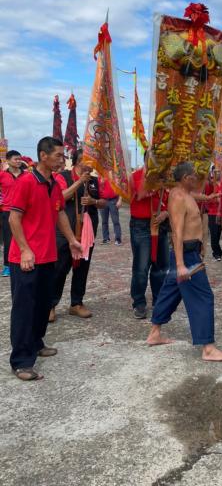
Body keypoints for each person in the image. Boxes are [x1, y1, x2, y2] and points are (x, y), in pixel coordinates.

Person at [8, 136, 82, 381]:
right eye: (59, 155)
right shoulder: (26, 182)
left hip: (48, 255)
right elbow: (14, 218)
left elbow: (59, 213)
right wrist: (25, 249)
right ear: (43, 156)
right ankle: (21, 361)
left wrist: (71, 239)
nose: (63, 159)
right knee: (24, 308)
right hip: (26, 258)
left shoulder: (54, 184)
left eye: (63, 155)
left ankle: (37, 343)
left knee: (43, 304)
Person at [146, 162, 222, 362]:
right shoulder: (178, 197)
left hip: (189, 252)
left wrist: (209, 197)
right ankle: (208, 348)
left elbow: (195, 198)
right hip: (186, 255)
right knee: (204, 297)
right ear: (185, 178)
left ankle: (154, 333)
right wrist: (180, 264)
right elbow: (177, 232)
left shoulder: (186, 194)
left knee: (170, 292)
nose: (197, 178)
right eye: (194, 175)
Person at [49, 149, 106, 322]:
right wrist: (79, 182)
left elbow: (104, 202)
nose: (90, 165)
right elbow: (60, 197)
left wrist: (94, 201)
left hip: (87, 233)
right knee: (59, 269)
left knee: (82, 269)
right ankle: (50, 305)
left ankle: (76, 303)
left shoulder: (94, 181)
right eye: (88, 161)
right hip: (65, 232)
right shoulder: (63, 176)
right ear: (78, 161)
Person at [129, 155, 169, 319]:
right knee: (141, 267)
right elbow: (139, 195)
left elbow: (172, 200)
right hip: (141, 226)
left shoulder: (166, 177)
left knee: (161, 267)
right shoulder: (135, 176)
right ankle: (139, 302)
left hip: (161, 225)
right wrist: (155, 182)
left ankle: (158, 300)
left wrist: (166, 213)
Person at [0, 150, 24, 277]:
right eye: (16, 159)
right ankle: (7, 266)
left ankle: (23, 259)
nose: (18, 161)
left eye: (20, 159)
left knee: (24, 236)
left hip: (24, 211)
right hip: (8, 211)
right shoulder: (2, 175)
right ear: (8, 161)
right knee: (9, 239)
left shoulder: (27, 175)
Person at [204, 169, 222, 260]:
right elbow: (206, 198)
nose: (217, 173)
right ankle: (216, 252)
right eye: (215, 172)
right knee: (214, 234)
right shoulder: (210, 184)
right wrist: (215, 200)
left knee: (219, 233)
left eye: (219, 171)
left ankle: (219, 251)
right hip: (213, 213)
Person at [98, 175, 122, 244]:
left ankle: (118, 239)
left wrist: (120, 200)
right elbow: (98, 190)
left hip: (113, 200)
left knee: (115, 221)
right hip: (103, 201)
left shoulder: (113, 175)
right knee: (104, 221)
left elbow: (120, 187)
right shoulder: (99, 177)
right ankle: (106, 239)